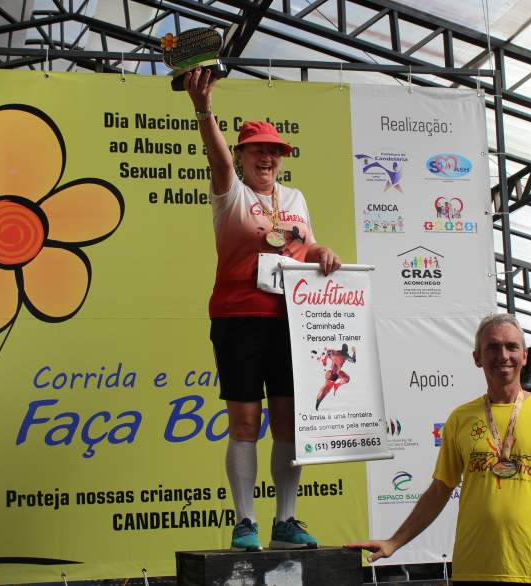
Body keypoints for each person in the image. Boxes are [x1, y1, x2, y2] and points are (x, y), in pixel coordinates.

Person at [184, 68, 342, 551]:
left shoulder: (294, 199)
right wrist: (204, 108)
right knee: (246, 421)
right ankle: (245, 522)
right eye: (258, 150)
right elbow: (216, 161)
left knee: (292, 423)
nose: (268, 157)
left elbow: (306, 248)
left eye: (275, 151)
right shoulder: (231, 194)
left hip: (295, 319)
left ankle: (286, 521)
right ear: (242, 156)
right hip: (238, 319)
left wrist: (324, 253)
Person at [347, 314, 531, 586]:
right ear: (477, 358)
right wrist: (394, 542)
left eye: (511, 347)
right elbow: (440, 489)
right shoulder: (460, 418)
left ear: (524, 356)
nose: (503, 355)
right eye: (493, 347)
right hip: (473, 570)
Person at [315, 344, 357, 411]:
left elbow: (329, 351)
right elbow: (353, 360)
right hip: (334, 374)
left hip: (333, 373)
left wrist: (327, 358)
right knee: (328, 388)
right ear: (346, 350)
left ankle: (318, 399)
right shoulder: (345, 355)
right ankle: (319, 400)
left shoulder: (337, 352)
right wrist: (354, 352)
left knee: (327, 388)